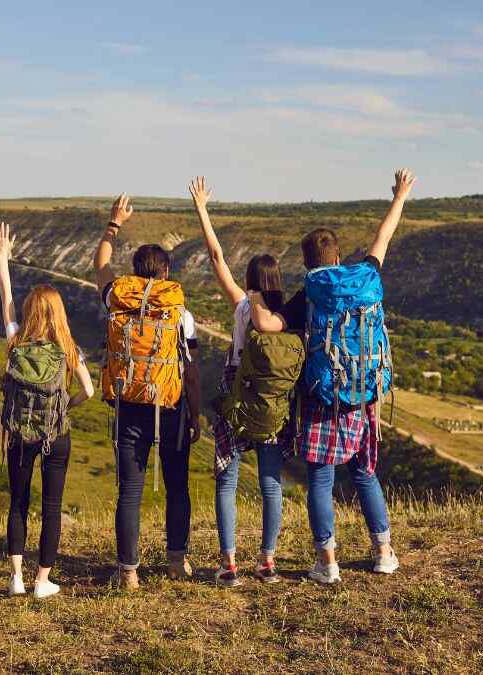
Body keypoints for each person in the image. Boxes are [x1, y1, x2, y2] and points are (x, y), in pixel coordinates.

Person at [250, 169, 417, 584]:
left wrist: (254, 297)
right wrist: (398, 197)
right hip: (364, 394)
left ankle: (327, 563)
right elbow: (383, 239)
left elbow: (271, 327)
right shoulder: (366, 276)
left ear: (308, 265)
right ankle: (383, 552)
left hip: (323, 397)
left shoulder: (311, 292)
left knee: (321, 479)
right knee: (365, 474)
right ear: (339, 256)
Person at [94, 194, 202, 590]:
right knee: (177, 486)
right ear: (167, 272)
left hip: (128, 403)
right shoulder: (180, 314)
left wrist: (114, 223)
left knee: (130, 491)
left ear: (135, 273)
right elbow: (189, 369)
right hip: (170, 406)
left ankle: (128, 572)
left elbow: (100, 264)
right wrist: (196, 412)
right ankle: (177, 561)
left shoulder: (117, 303)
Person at [188, 176, 288, 587]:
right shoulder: (288, 316)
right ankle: (267, 560)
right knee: (270, 483)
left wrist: (202, 209)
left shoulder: (245, 308)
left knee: (227, 480)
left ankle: (229, 564)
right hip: (273, 400)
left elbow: (215, 257)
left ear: (250, 282)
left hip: (235, 395)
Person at [0, 222, 95, 599]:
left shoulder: (16, 342)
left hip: (20, 433)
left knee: (18, 502)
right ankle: (42, 582)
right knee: (51, 507)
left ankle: (16, 578)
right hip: (56, 434)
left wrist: (3, 257)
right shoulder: (69, 348)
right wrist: (64, 406)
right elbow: (89, 389)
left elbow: (5, 297)